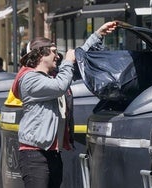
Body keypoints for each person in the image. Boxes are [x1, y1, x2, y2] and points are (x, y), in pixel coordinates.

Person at [11, 21, 117, 188]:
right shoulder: (29, 79)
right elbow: (60, 86)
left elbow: (78, 60)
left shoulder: (52, 75)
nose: (58, 56)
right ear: (40, 55)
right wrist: (67, 61)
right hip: (34, 155)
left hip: (53, 153)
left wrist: (98, 35)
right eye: (53, 52)